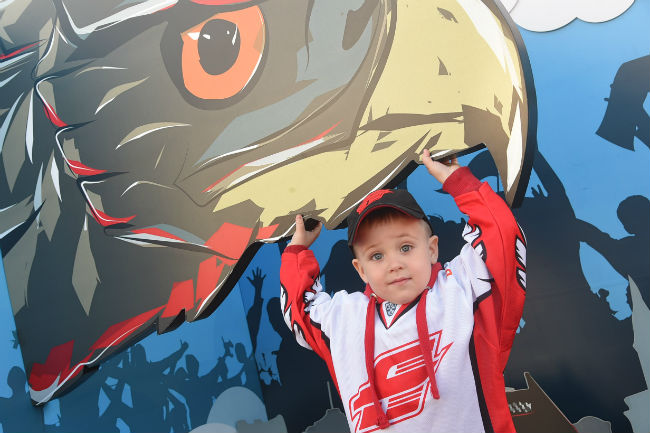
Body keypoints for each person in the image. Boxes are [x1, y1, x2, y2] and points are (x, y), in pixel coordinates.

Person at [280, 149, 526, 433]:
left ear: (431, 249)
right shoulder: (345, 319)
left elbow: (502, 240)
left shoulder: (462, 290)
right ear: (361, 270)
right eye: (376, 256)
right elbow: (301, 310)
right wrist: (297, 251)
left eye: (406, 247)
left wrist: (459, 182)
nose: (394, 264)